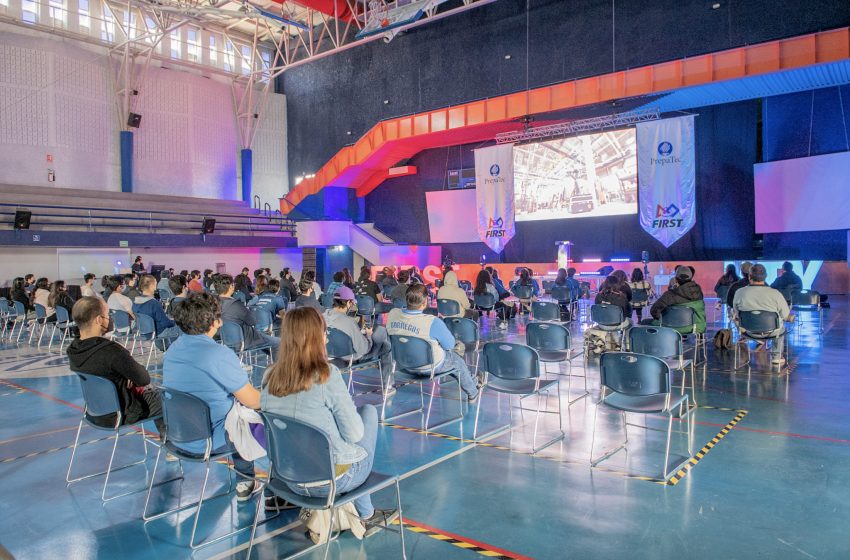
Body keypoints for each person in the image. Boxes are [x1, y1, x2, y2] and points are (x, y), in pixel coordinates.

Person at [261, 307, 398, 529]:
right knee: (369, 413)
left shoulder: (269, 376)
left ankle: (364, 512)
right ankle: (366, 513)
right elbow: (355, 434)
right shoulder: (326, 375)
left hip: (288, 477)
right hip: (330, 481)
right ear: (317, 337)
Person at [163, 292, 261, 500]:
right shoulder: (218, 354)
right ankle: (248, 481)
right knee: (263, 421)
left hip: (178, 436)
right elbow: (253, 400)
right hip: (212, 439)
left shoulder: (173, 350)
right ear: (215, 322)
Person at [67, 297, 163, 432]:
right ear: (99, 320)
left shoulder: (73, 350)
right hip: (122, 412)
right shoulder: (111, 351)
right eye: (107, 315)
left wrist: (123, 376)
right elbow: (143, 379)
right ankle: (172, 444)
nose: (110, 319)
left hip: (95, 412)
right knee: (166, 399)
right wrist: (127, 375)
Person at [387, 284, 480, 402]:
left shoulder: (393, 314)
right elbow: (449, 345)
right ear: (425, 302)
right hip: (428, 367)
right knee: (456, 361)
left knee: (450, 361)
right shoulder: (432, 322)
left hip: (402, 365)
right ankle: (473, 392)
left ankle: (473, 381)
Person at [733, 263, 793, 364]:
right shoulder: (775, 294)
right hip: (772, 332)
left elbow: (737, 313)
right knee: (781, 327)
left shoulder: (739, 292)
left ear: (749, 276)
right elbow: (786, 315)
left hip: (747, 332)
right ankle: (776, 356)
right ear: (765, 277)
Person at [325, 286, 393, 375]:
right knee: (385, 345)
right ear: (349, 302)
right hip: (349, 358)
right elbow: (363, 349)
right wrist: (369, 335)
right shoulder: (349, 322)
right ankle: (388, 385)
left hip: (328, 356)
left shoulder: (322, 316)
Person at [216, 273, 280, 352]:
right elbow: (252, 321)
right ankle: (278, 363)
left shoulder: (214, 304)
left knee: (267, 342)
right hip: (247, 340)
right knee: (280, 343)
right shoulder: (235, 304)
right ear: (231, 287)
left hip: (227, 340)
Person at [646, 265, 706, 335]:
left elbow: (654, 311)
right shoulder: (699, 293)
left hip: (670, 327)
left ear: (676, 279)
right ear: (691, 278)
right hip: (696, 327)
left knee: (645, 322)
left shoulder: (669, 295)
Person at [132, 275, 182, 340]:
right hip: (158, 332)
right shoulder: (153, 303)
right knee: (180, 327)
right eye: (156, 283)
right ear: (152, 286)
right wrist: (174, 322)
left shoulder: (135, 302)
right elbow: (165, 323)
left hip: (143, 332)